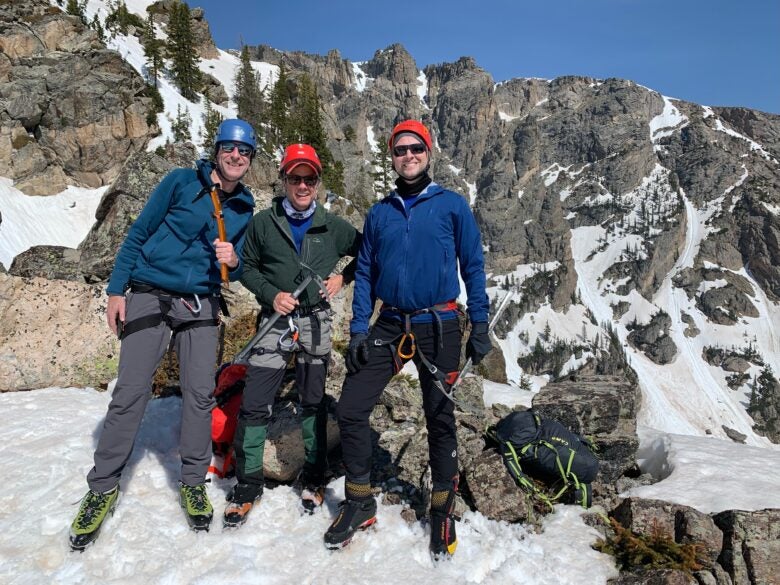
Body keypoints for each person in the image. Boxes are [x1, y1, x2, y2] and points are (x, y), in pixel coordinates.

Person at [68, 119, 258, 550]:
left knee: (198, 394)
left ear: (250, 161)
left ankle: (192, 481)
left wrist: (236, 261)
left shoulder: (245, 208)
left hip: (200, 302)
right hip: (150, 292)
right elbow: (138, 233)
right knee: (131, 391)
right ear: (217, 149)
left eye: (244, 152)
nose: (236, 157)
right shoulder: (178, 182)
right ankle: (102, 487)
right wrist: (117, 290)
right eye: (229, 148)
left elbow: (239, 266)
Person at [323, 120, 492, 558]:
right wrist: (359, 328)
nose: (409, 155)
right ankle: (359, 501)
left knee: (439, 418)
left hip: (440, 324)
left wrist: (482, 323)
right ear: (392, 157)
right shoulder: (380, 213)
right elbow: (363, 272)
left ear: (429, 152)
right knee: (351, 407)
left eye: (416, 148)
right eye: (400, 150)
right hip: (391, 323)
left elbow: (472, 265)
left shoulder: (452, 206)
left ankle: (441, 510)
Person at [223, 143, 361, 527]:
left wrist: (342, 277)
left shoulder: (334, 227)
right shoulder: (263, 224)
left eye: (310, 178)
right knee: (255, 401)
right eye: (295, 177)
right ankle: (248, 484)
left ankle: (314, 476)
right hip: (274, 321)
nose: (302, 185)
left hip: (315, 320)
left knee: (313, 400)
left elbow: (366, 251)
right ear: (283, 179)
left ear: (318, 183)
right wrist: (272, 295)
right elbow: (245, 267)